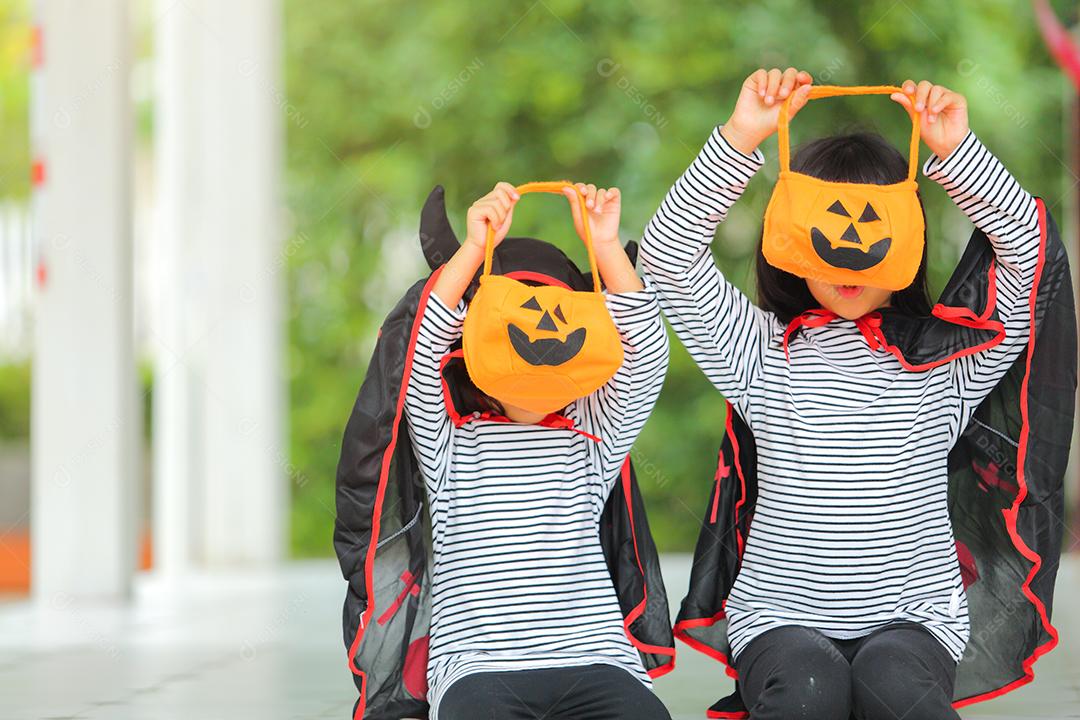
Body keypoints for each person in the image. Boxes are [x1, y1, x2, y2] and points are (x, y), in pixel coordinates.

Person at [640, 67, 1048, 719]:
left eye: (872, 224)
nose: (849, 257)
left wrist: (957, 152)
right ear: (791, 233)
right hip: (780, 618)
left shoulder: (953, 357)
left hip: (915, 619)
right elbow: (665, 259)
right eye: (827, 222)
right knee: (807, 695)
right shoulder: (757, 348)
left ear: (907, 235)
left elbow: (1027, 256)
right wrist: (743, 137)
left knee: (900, 693)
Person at [402, 181, 672, 720]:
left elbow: (645, 354)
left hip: (596, 660)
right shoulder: (449, 441)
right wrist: (475, 250)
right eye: (516, 326)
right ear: (476, 341)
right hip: (479, 669)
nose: (538, 350)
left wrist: (605, 248)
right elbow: (421, 339)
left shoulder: (593, 435)